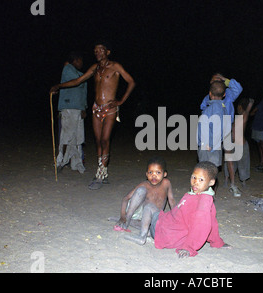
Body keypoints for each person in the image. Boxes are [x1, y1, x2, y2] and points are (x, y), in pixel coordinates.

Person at [50, 40, 135, 189]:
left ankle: (100, 174)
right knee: (97, 141)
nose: (97, 52)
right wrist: (59, 85)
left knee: (105, 140)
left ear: (107, 52)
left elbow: (131, 82)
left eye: (101, 50)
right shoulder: (95, 68)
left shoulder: (115, 66)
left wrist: (120, 101)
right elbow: (78, 80)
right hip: (96, 108)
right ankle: (104, 171)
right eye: (95, 50)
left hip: (110, 109)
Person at [126, 161, 231, 258]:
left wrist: (188, 248)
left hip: (164, 233)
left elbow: (202, 226)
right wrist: (217, 242)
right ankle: (141, 228)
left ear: (211, 182)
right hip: (165, 228)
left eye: (201, 180)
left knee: (149, 207)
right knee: (150, 214)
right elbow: (212, 223)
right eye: (193, 177)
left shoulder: (204, 201)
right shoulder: (199, 195)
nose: (195, 182)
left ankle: (142, 236)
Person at [116, 157, 176, 231]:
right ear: (146, 174)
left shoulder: (166, 183)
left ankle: (139, 224)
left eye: (158, 172)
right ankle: (128, 220)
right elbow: (126, 198)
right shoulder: (145, 184)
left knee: (161, 226)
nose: (154, 175)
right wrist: (122, 216)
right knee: (141, 190)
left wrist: (175, 217)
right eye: (150, 172)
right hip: (140, 214)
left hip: (154, 215)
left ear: (164, 174)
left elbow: (171, 201)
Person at [55, 51, 87, 174]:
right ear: (75, 60)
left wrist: (84, 107)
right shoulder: (68, 68)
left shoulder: (81, 74)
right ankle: (60, 161)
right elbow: (76, 81)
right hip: (68, 106)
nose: (81, 63)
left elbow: (83, 91)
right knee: (66, 135)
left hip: (78, 107)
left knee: (78, 136)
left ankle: (76, 162)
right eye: (80, 61)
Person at [224, 97, 254, 196]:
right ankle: (227, 180)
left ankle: (243, 181)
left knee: (243, 164)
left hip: (241, 145)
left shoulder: (243, 117)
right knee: (230, 163)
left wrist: (249, 102)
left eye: (238, 107)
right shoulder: (237, 118)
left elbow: (248, 108)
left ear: (240, 107)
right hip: (234, 144)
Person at [197, 81, 229, 169]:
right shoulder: (223, 108)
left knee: (205, 172)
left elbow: (217, 127)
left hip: (208, 147)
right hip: (215, 145)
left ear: (210, 94)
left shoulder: (213, 108)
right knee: (210, 173)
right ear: (224, 94)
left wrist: (210, 144)